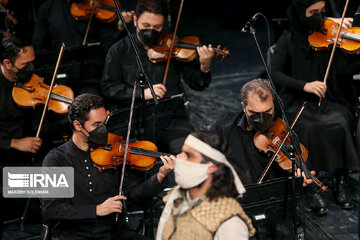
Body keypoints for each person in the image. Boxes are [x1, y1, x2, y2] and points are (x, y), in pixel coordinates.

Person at [41, 93, 175, 239]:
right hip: (77, 235)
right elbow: (52, 209)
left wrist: (160, 176)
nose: (104, 129)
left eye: (105, 123)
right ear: (78, 125)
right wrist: (96, 210)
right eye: (97, 125)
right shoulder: (57, 159)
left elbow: (132, 194)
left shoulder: (112, 152)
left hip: (114, 233)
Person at [270, 0, 360, 210]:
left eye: (322, 11)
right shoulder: (289, 37)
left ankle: (340, 179)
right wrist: (304, 86)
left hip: (332, 98)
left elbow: (344, 72)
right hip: (300, 100)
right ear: (301, 13)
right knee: (307, 127)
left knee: (339, 121)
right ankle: (311, 185)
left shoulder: (332, 34)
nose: (320, 17)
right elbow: (275, 73)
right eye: (313, 12)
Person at [101, 0, 216, 154]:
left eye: (157, 27)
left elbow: (198, 84)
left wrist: (204, 66)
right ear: (135, 21)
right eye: (146, 26)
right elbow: (109, 88)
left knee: (189, 154)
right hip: (133, 121)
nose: (151, 31)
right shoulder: (118, 50)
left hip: (171, 119)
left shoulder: (173, 46)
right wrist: (142, 93)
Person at [212, 79, 321, 238]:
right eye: (255, 114)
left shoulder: (284, 129)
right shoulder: (224, 126)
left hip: (276, 202)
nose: (262, 119)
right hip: (239, 202)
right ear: (244, 107)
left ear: (274, 104)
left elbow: (300, 160)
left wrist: (300, 178)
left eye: (268, 112)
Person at [156, 130, 256, 240]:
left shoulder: (229, 224)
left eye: (189, 155)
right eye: (182, 152)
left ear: (211, 167)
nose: (178, 158)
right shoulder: (176, 196)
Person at [0, 35, 43, 235]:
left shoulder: (27, 83)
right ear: (7, 63)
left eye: (32, 62)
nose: (31, 69)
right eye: (25, 64)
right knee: (55, 187)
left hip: (32, 154)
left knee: (67, 177)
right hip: (5, 160)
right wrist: (14, 143)